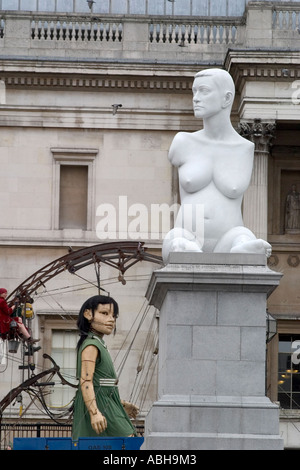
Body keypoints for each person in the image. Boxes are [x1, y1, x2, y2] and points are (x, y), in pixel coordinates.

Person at [162, 68, 272, 264]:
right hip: (187, 234)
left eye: (203, 91)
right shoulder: (183, 142)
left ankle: (243, 245)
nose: (196, 98)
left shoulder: (244, 148)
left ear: (226, 98)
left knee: (243, 235)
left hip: (228, 239)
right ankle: (186, 248)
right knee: (176, 240)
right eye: (194, 91)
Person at [72, 295, 139, 441]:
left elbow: (99, 383)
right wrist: (94, 412)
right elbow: (86, 381)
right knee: (129, 441)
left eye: (114, 316)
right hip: (100, 404)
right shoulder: (91, 345)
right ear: (88, 314)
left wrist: (120, 404)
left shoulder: (97, 343)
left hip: (106, 402)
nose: (111, 319)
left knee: (129, 441)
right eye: (104, 313)